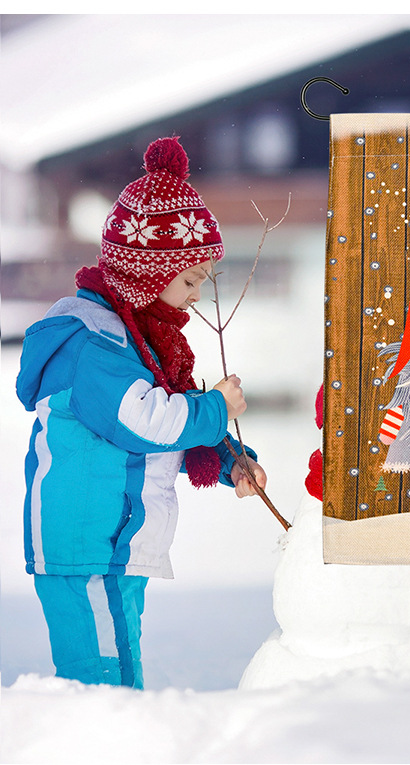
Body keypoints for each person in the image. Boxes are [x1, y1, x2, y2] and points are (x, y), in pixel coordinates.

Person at [15, 136, 266, 690]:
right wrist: (216, 407)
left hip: (116, 539)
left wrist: (231, 461)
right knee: (102, 683)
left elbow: (167, 420)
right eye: (190, 280)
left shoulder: (140, 344)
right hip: (87, 541)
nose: (197, 295)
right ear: (149, 273)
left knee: (119, 668)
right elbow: (144, 421)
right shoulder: (94, 343)